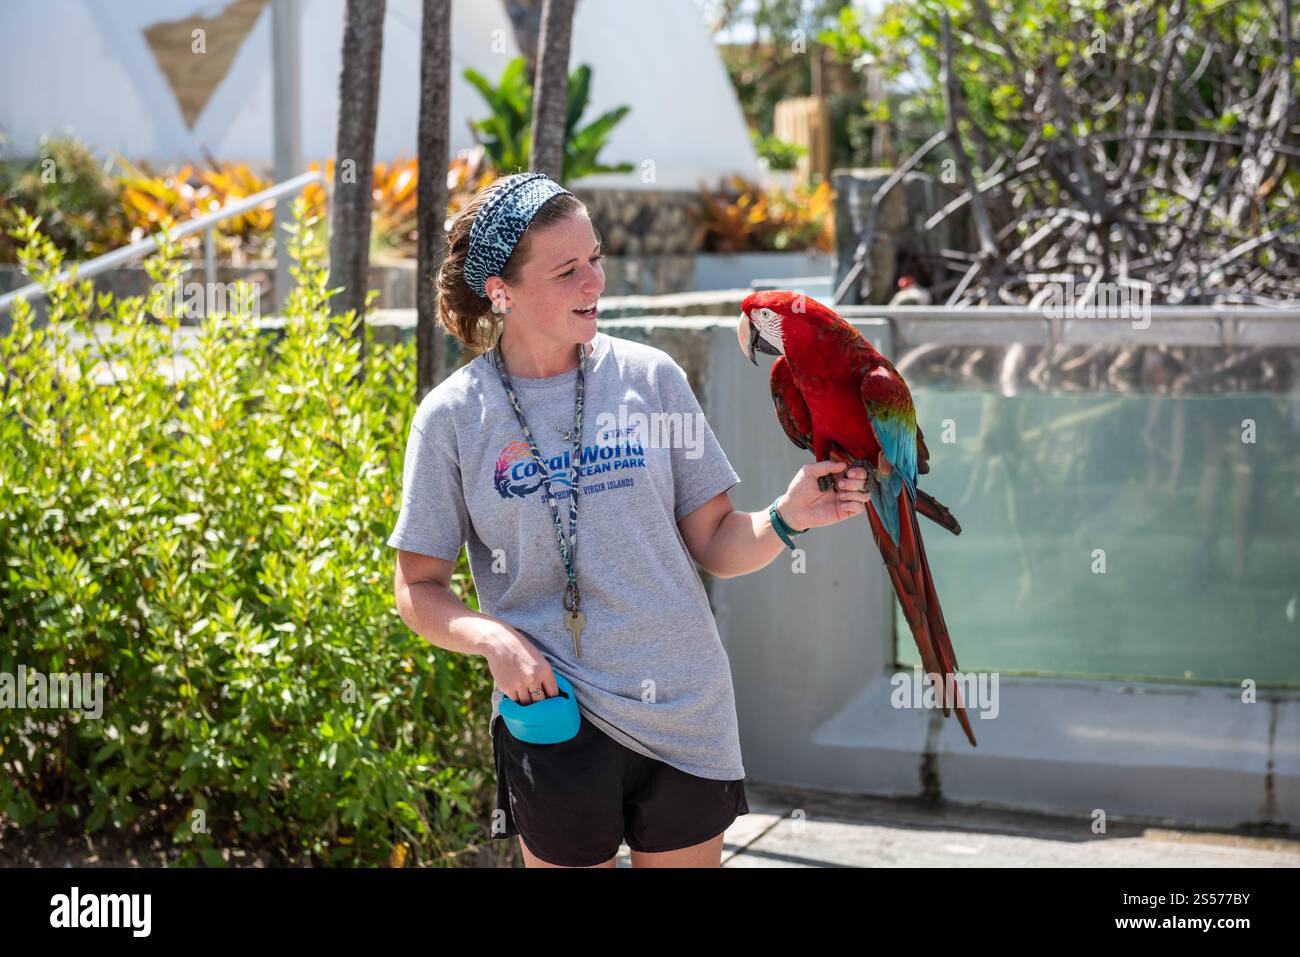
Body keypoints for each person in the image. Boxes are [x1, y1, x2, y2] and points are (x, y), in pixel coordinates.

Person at [388, 171, 871, 868]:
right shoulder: (453, 418)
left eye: (596, 260)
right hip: (553, 711)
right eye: (567, 270)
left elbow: (716, 539)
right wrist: (493, 640)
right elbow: (418, 586)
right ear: (502, 291)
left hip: (685, 706)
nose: (594, 283)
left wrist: (786, 515)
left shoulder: (652, 379)